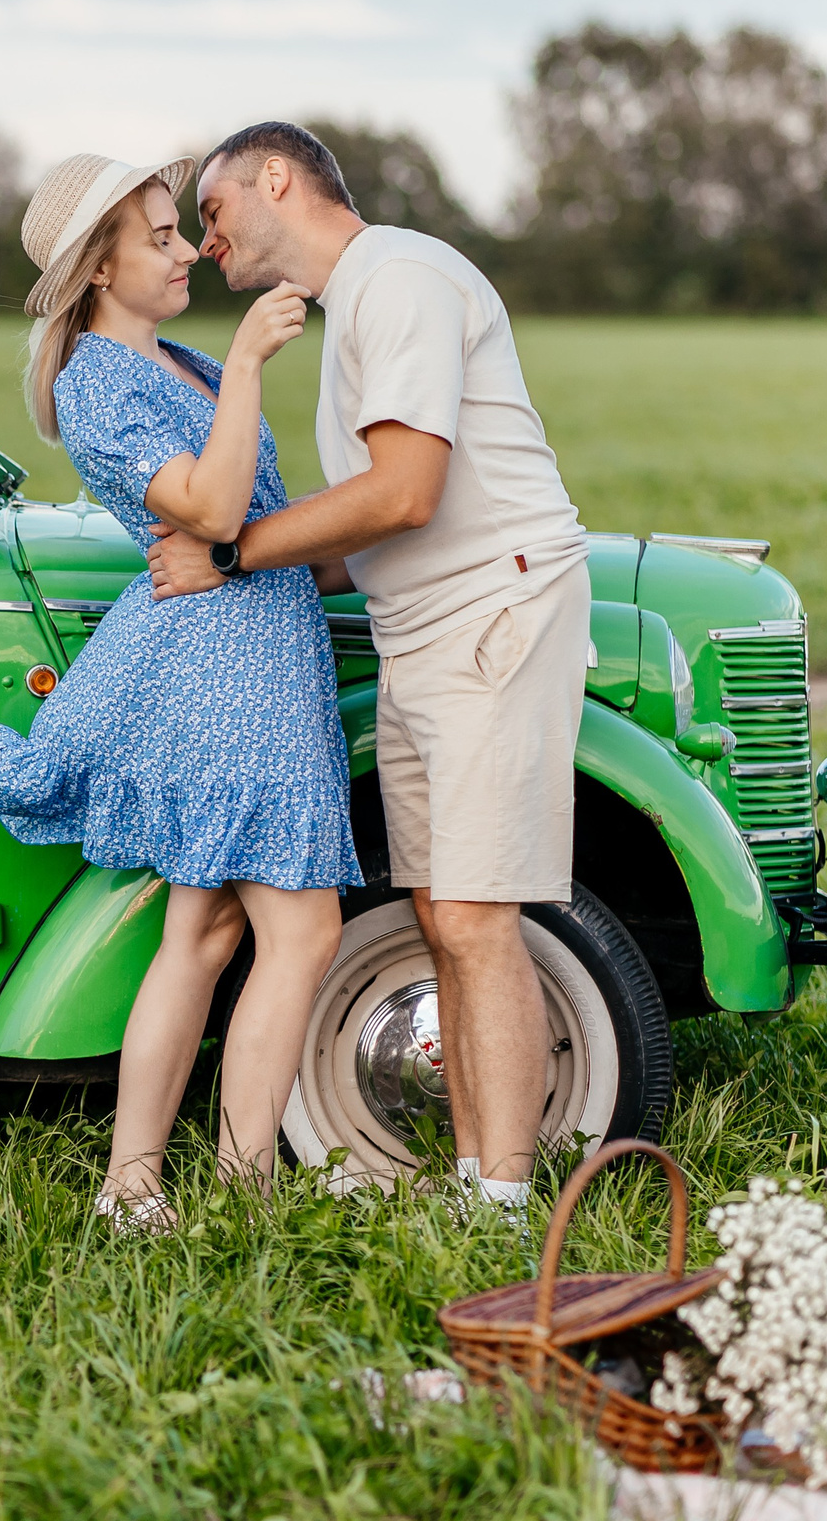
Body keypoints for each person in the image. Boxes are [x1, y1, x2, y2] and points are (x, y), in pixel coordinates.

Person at [146, 121, 592, 1216]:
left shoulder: (394, 278)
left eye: (212, 213)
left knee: (479, 915)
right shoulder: (363, 304)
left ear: (277, 179)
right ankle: (475, 1175)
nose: (206, 246)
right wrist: (228, 583)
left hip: (490, 609)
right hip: (422, 629)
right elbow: (357, 542)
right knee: (442, 910)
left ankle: (503, 1195)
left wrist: (234, 549)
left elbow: (404, 494)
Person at [0, 153, 359, 1234]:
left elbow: (253, 514)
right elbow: (214, 511)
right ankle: (242, 1180)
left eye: (179, 229)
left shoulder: (173, 360)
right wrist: (257, 363)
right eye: (160, 235)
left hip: (257, 644)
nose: (185, 250)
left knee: (205, 927)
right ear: (98, 268)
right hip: (223, 667)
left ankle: (134, 1183)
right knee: (300, 925)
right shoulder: (97, 382)